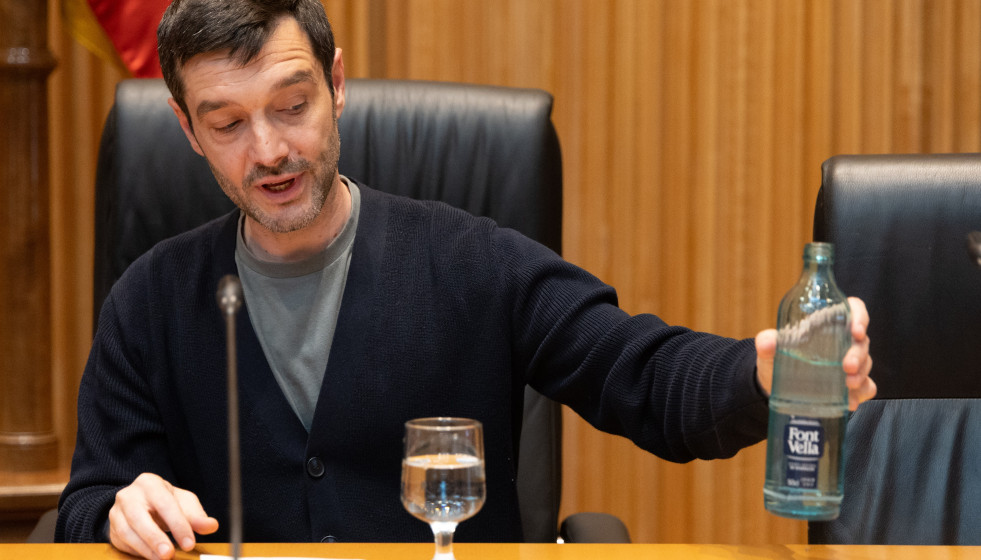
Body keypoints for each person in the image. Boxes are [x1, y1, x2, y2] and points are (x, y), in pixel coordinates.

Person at [55, 1, 876, 558]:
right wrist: (117, 514)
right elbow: (87, 508)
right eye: (228, 123)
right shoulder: (150, 301)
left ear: (337, 86)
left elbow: (644, 375)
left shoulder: (470, 262)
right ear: (187, 130)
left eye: (293, 105)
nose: (268, 150)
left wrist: (759, 374)